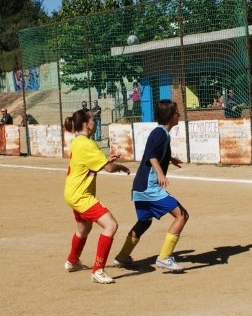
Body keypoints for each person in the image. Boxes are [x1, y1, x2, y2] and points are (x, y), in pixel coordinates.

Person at [113, 100, 189, 272]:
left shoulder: (162, 133)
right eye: (177, 112)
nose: (179, 115)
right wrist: (161, 173)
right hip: (149, 186)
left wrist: (170, 158)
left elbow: (155, 151)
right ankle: (164, 258)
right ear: (170, 116)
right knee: (182, 215)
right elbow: (151, 155)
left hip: (140, 186)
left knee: (144, 221)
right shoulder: (160, 133)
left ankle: (122, 257)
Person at [62, 109, 131, 284]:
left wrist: (107, 160)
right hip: (81, 195)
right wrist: (120, 167)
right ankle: (98, 270)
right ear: (86, 124)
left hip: (71, 192)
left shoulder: (77, 141)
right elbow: (107, 168)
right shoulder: (87, 144)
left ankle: (72, 261)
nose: (95, 122)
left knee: (83, 229)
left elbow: (91, 163)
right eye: (93, 119)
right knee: (111, 225)